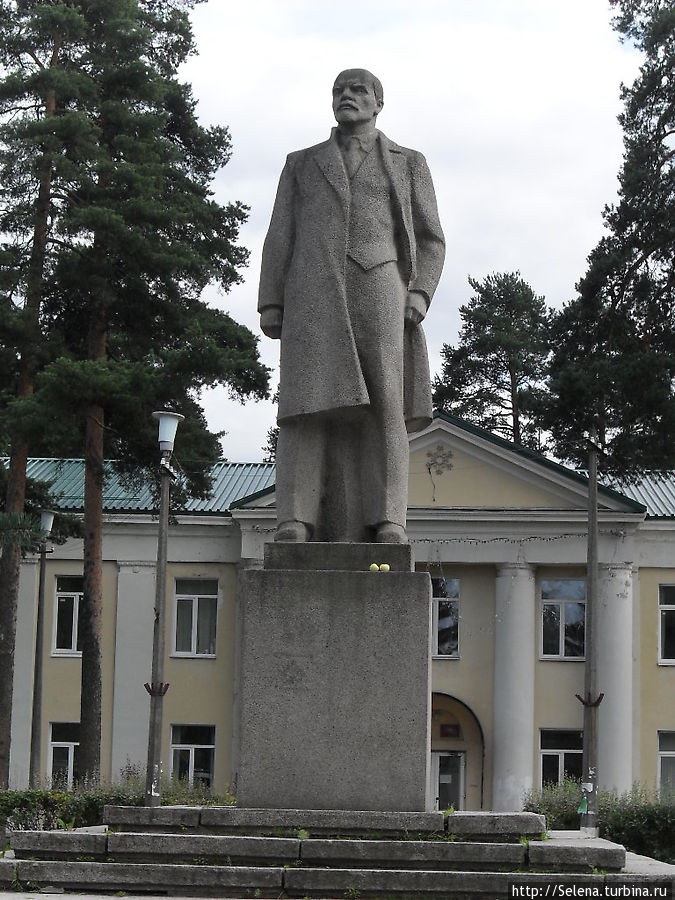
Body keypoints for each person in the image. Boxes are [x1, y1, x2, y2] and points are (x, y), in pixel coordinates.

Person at [259, 68, 445, 543]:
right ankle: (294, 519)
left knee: (385, 405)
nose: (347, 97)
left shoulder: (408, 162)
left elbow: (430, 238)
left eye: (358, 90)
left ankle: (388, 520)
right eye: (339, 91)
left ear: (378, 103)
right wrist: (272, 300)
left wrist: (420, 291)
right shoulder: (301, 163)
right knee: (305, 409)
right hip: (311, 295)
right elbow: (280, 232)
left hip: (381, 291)